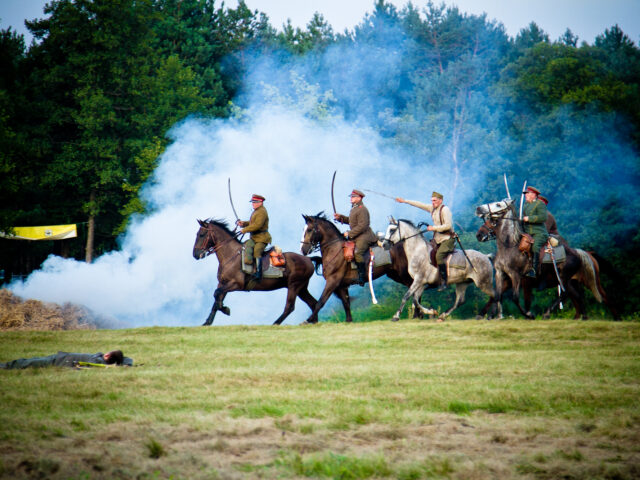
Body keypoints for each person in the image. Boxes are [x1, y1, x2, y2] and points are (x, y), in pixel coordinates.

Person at [396, 191, 455, 291]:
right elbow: (420, 204)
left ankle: (444, 281)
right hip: (437, 239)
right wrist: (405, 201)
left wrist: (434, 228)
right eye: (432, 201)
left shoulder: (445, 210)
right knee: (426, 253)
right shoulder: (432, 208)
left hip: (447, 239)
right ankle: (430, 278)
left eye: (435, 200)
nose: (433, 202)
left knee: (439, 256)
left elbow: (448, 225)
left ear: (441, 200)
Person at [334, 189, 377, 285]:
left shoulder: (362, 209)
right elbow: (352, 221)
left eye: (353, 197)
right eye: (351, 196)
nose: (351, 198)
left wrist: (349, 233)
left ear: (359, 198)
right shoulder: (355, 208)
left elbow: (363, 225)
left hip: (364, 236)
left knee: (357, 253)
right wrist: (340, 217)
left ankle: (362, 276)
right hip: (356, 235)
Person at [237, 194, 272, 280]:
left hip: (262, 238)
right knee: (246, 246)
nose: (253, 204)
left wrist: (244, 230)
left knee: (257, 251)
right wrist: (243, 224)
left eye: (254, 202)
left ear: (260, 202)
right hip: (254, 238)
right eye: (252, 202)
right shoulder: (256, 211)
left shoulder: (262, 212)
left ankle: (259, 274)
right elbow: (252, 222)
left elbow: (257, 225)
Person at [0, 350, 133, 369]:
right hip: (60, 358)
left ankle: (4, 366)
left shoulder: (98, 362)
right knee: (30, 360)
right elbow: (128, 359)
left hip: (59, 362)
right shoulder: (102, 360)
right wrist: (125, 365)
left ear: (108, 356)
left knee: (27, 363)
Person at [522, 186, 549, 277]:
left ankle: (534, 270)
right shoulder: (526, 205)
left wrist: (529, 218)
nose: (525, 195)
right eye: (525, 193)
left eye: (527, 193)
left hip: (539, 233)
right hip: (527, 232)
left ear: (534, 194)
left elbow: (543, 217)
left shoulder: (540, 204)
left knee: (535, 247)